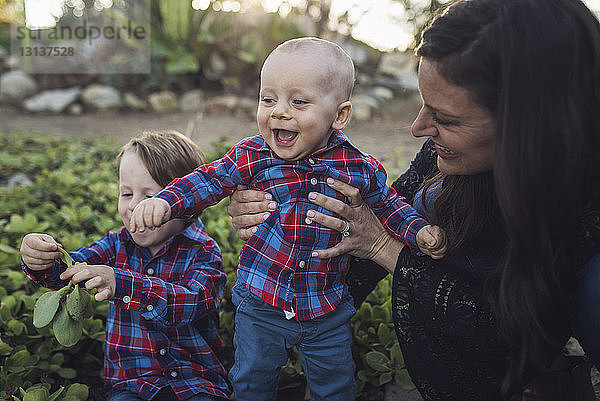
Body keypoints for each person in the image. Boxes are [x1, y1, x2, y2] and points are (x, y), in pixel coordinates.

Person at [226, 0, 600, 399]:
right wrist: (276, 206)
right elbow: (382, 212)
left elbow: (506, 335)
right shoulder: (445, 160)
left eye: (447, 118)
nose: (417, 126)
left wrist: (384, 248)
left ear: (531, 122)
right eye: (423, 103)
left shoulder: (586, 212)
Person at [128, 37, 446, 401]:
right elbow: (208, 180)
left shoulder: (357, 166)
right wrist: (167, 202)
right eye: (268, 99)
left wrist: (418, 231)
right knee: (251, 380)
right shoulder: (253, 155)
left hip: (325, 309)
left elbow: (390, 206)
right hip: (262, 303)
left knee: (336, 385)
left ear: (339, 115)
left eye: (298, 101)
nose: (279, 111)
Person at [20, 130, 230, 401]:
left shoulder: (203, 251)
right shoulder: (115, 245)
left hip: (195, 381)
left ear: (186, 203)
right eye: (126, 193)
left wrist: (123, 284)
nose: (133, 206)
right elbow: (65, 274)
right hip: (132, 384)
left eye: (149, 197)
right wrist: (40, 260)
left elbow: (193, 302)